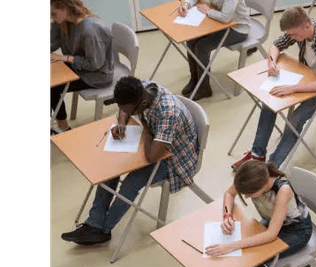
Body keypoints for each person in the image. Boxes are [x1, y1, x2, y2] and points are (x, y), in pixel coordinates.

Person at [61, 76, 199, 245]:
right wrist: (122, 124)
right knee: (111, 166)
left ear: (141, 105)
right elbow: (125, 110)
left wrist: (147, 131)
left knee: (133, 181)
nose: (123, 110)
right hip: (156, 143)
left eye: (127, 109)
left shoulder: (167, 112)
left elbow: (152, 156)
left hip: (176, 160)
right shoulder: (141, 89)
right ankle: (94, 224)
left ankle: (104, 230)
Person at [231, 6, 316, 170]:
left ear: (307, 25)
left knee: (296, 118)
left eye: (294, 35)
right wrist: (272, 63)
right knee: (270, 101)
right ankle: (257, 154)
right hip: (308, 78)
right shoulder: (299, 31)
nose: (292, 38)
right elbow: (275, 46)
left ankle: (272, 167)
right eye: (290, 34)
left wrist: (293, 88)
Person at [205, 160, 313, 267]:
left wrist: (231, 245)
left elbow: (271, 235)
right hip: (274, 224)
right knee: (248, 254)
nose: (247, 198)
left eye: (250, 194)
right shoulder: (251, 176)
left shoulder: (282, 190)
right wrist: (227, 216)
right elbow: (229, 194)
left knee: (250, 258)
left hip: (296, 230)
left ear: (264, 186)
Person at [49, 0, 114, 134]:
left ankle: (63, 128)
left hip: (96, 75)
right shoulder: (62, 22)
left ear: (66, 8)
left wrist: (65, 58)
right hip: (79, 65)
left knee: (51, 87)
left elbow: (95, 64)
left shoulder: (90, 30)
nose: (51, 17)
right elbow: (52, 43)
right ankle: (55, 120)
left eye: (53, 13)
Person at [178, 0, 251, 101]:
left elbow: (226, 18)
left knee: (202, 47)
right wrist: (186, 5)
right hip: (219, 23)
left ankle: (204, 87)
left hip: (238, 28)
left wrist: (208, 11)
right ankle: (195, 79)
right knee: (191, 40)